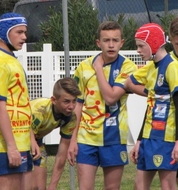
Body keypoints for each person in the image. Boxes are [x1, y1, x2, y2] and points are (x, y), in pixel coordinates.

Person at [67, 21, 138, 189]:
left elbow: (111, 98)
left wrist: (99, 68)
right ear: (98, 43)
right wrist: (72, 140)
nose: (111, 45)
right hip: (86, 138)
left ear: (122, 42)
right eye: (106, 40)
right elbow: (78, 105)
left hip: (114, 137)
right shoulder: (83, 67)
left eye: (115, 40)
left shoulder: (127, 66)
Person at [127, 15, 178, 190]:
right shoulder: (154, 68)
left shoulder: (172, 67)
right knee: (140, 185)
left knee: (173, 184)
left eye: (141, 46)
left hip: (171, 135)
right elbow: (150, 105)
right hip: (155, 134)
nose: (138, 50)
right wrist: (139, 139)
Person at [0, 12, 40, 190]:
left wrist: (31, 138)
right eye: (19, 32)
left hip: (21, 140)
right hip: (5, 144)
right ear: (5, 32)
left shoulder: (11, 59)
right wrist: (11, 146)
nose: (24, 37)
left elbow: (21, 103)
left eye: (25, 32)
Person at [30, 77, 81, 190]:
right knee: (31, 186)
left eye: (74, 101)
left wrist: (53, 186)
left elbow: (61, 156)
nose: (71, 106)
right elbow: (25, 131)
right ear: (54, 100)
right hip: (19, 138)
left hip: (36, 140)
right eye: (66, 101)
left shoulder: (71, 118)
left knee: (39, 187)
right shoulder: (40, 110)